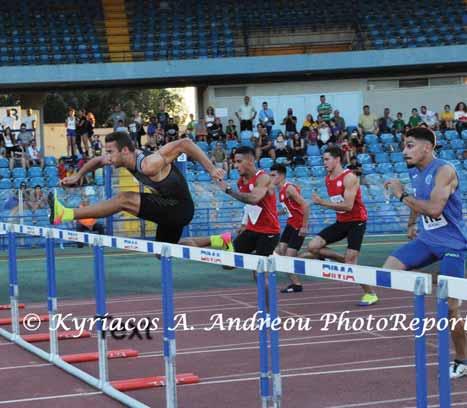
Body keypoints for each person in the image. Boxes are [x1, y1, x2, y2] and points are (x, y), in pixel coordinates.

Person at [384, 127, 467, 379]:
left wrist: (401, 195)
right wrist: (411, 223)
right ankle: (446, 283)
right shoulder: (414, 170)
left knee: (451, 308)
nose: (403, 151)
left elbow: (433, 209)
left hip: (453, 244)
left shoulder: (445, 171)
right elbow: (418, 200)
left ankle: (463, 359)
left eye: (409, 146)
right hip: (427, 240)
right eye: (404, 145)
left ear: (427, 148)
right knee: (389, 271)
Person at [49, 132, 224, 244]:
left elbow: (185, 143)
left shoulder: (149, 164)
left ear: (125, 151)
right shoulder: (122, 158)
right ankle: (219, 241)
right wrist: (78, 175)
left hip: (179, 208)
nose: (107, 158)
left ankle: (65, 213)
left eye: (110, 152)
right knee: (164, 251)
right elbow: (97, 161)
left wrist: (212, 169)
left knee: (124, 199)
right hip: (168, 208)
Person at [302, 146, 378, 306]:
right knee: (313, 246)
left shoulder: (349, 178)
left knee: (351, 264)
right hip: (341, 222)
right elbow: (339, 204)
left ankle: (370, 293)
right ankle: (344, 259)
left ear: (337, 159)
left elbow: (348, 206)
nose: (324, 163)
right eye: (323, 159)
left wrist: (322, 202)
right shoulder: (328, 178)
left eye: (326, 159)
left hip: (356, 222)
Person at [217, 146, 281, 283]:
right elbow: (249, 206)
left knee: (259, 274)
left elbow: (253, 199)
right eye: (234, 162)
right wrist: (244, 223)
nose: (235, 166)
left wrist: (228, 191)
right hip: (251, 230)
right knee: (227, 263)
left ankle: (267, 305)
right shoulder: (241, 182)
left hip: (268, 232)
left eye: (239, 162)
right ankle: (258, 254)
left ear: (250, 161)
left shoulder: (263, 178)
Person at [270, 163, 309, 293]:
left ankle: (315, 256)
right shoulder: (280, 190)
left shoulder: (289, 188)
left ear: (281, 175)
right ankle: (296, 284)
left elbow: (305, 205)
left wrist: (304, 226)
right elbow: (290, 209)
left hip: (298, 226)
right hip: (290, 224)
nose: (271, 178)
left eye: (273, 175)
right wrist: (276, 213)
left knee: (288, 257)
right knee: (281, 252)